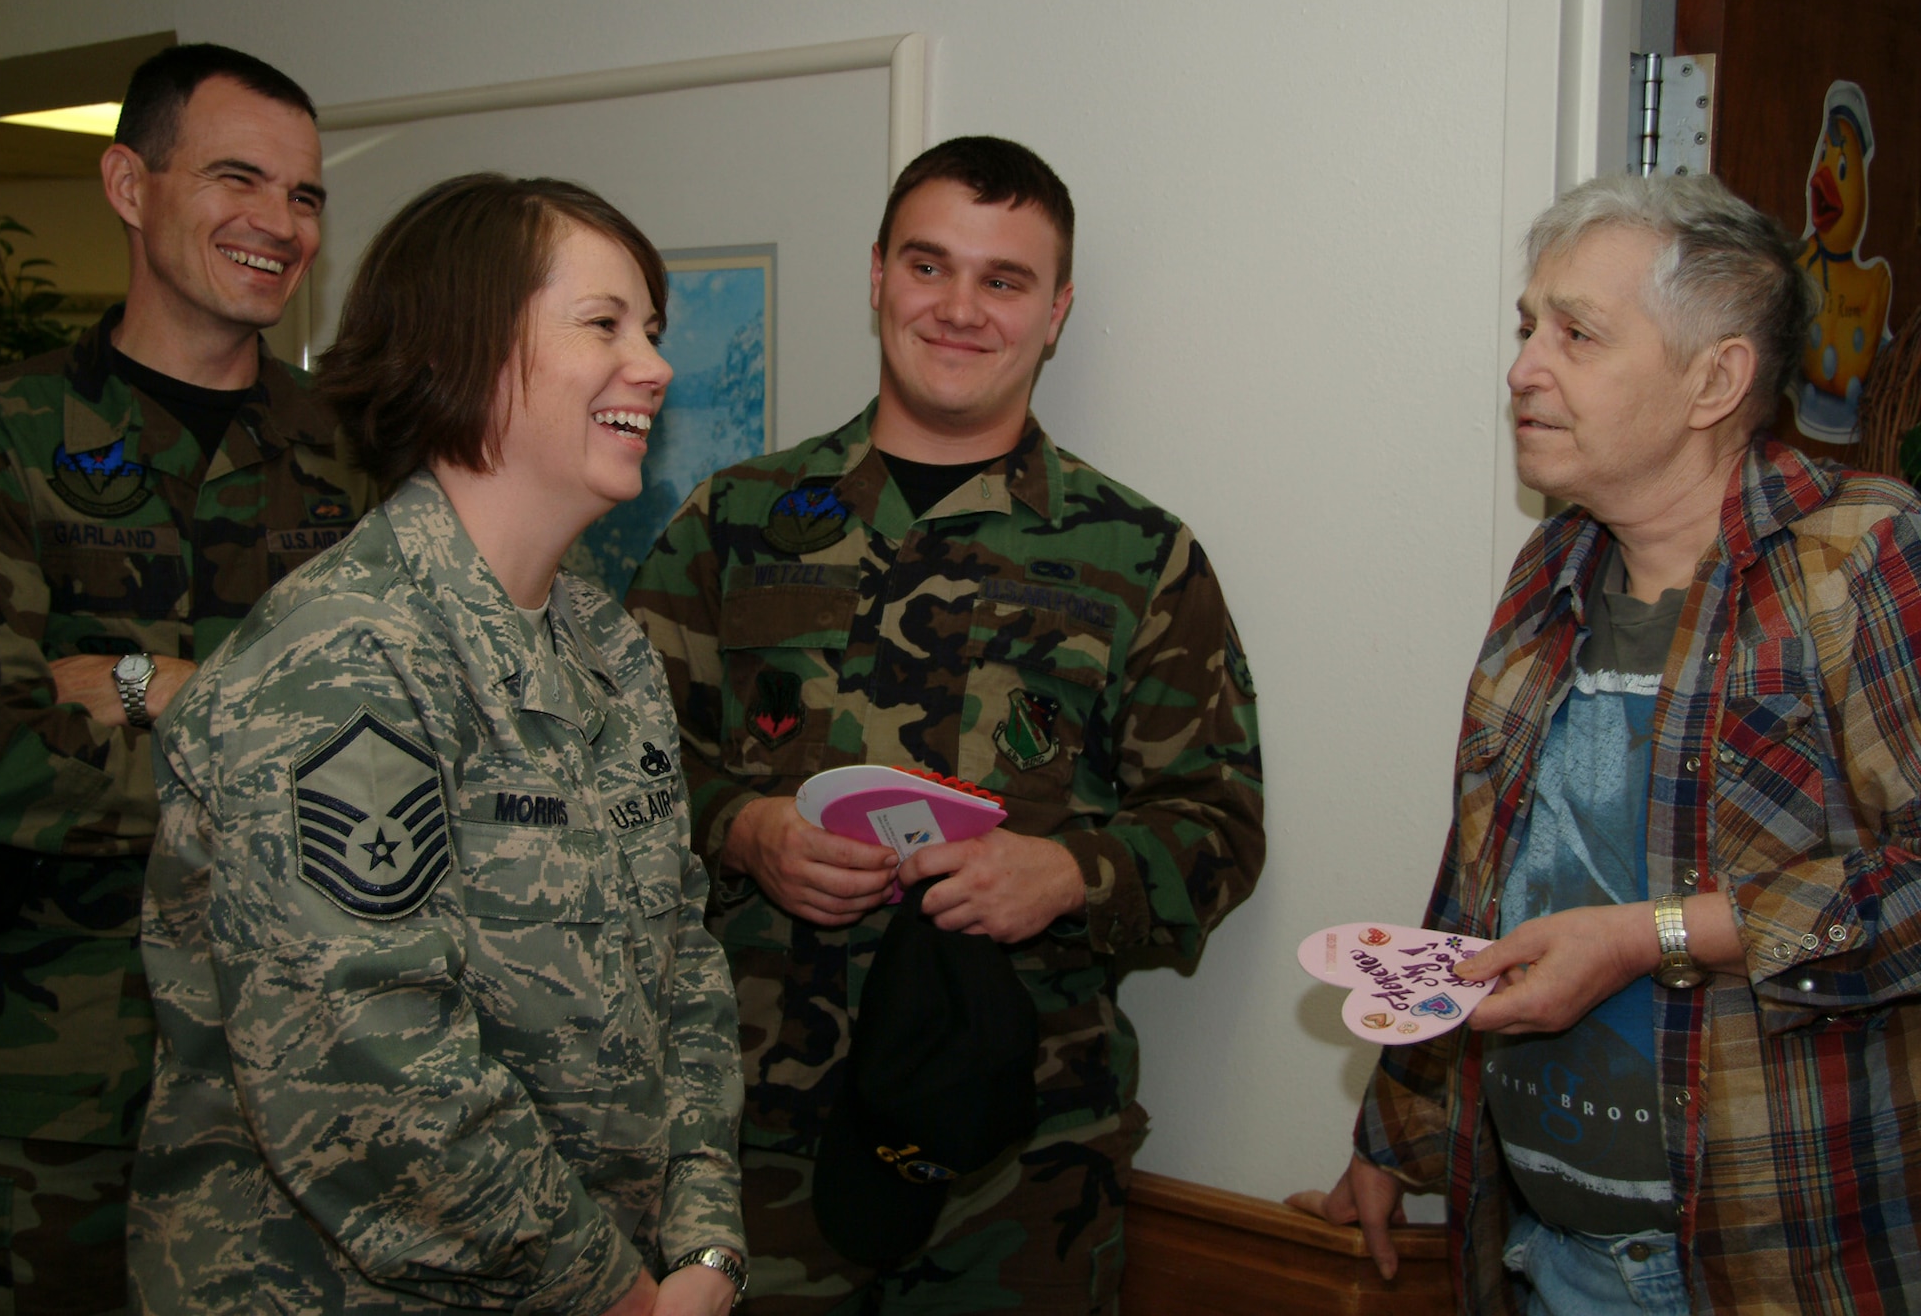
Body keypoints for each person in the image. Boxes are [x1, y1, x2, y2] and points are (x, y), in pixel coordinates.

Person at [627, 135, 1265, 1314]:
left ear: (1055, 311)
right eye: (929, 267)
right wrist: (744, 831)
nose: (960, 308)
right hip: (746, 1148)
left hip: (1021, 1170)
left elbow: (1218, 829)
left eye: (1003, 280)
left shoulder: (1138, 557)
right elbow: (617, 780)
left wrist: (1068, 874)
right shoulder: (737, 523)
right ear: (876, 275)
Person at [1292, 173, 1921, 1313]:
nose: (1523, 366)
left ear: (1713, 379)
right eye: (1527, 326)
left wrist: (1653, 936)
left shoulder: (1861, 558)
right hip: (1539, 1254)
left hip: (1768, 1269)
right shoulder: (1553, 567)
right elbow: (1479, 881)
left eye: (1575, 333)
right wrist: (1397, 1134)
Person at [127, 173, 746, 1316]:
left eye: (650, 330)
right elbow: (367, 1067)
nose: (652, 365)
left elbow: (685, 972)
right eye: (603, 324)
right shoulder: (344, 658)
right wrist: (613, 1290)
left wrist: (702, 1252)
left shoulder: (605, 647)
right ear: (465, 349)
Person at [0, 43, 372, 1314]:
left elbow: (403, 732)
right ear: (129, 183)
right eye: (240, 178)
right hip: (45, 1107)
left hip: (302, 1098)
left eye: (305, 196)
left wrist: (139, 680)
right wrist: (285, 751)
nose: (278, 224)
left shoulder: (359, 469)